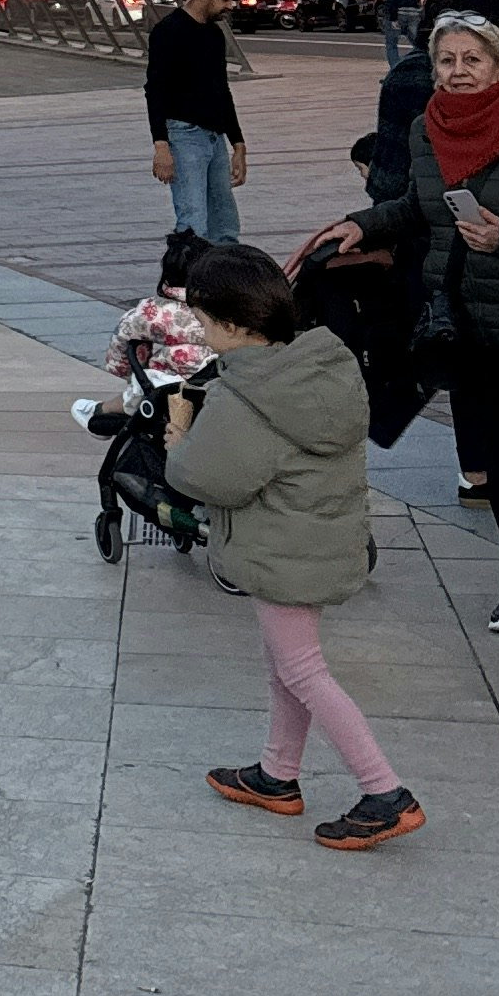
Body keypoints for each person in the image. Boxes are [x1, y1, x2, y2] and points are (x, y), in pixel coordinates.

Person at [165, 241, 422, 849]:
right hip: (321, 539)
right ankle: (277, 775)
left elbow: (207, 478)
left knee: (303, 670)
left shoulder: (245, 396)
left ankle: (385, 792)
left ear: (232, 323)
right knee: (289, 663)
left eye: (203, 322)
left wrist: (179, 431)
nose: (201, 334)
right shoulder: (317, 365)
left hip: (281, 547)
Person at [308, 6, 499, 633]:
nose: (458, 72)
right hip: (469, 318)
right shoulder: (425, 131)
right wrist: (364, 223)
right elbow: (416, 206)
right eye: (446, 61)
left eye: (472, 60)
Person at [146, 0, 248, 241]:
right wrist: (162, 147)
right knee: (193, 225)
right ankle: (185, 282)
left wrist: (237, 144)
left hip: (215, 138)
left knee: (225, 225)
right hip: (184, 136)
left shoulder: (214, 34)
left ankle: (225, 281)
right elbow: (155, 91)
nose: (230, 5)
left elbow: (221, 90)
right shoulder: (168, 32)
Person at [70, 229, 209, 429]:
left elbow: (123, 334)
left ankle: (101, 412)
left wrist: (123, 369)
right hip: (216, 380)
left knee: (145, 386)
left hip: (169, 383)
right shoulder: (222, 308)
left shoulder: (154, 312)